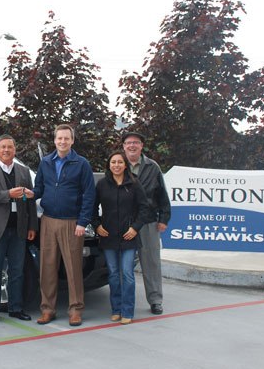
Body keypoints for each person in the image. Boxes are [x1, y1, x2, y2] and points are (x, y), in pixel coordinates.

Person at [32, 124, 96, 327]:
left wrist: (82, 222)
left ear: (72, 141)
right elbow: (39, 188)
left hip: (72, 223)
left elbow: (89, 195)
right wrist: (28, 193)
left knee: (73, 269)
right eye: (59, 138)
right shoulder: (45, 162)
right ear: (54, 140)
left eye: (66, 139)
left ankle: (75, 309)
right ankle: (47, 309)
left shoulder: (81, 164)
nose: (62, 142)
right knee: (47, 267)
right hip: (49, 221)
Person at [0, 135, 38, 323]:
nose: (6, 150)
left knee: (17, 269)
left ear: (15, 150)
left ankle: (16, 308)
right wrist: (7, 195)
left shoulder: (24, 171)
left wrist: (32, 226)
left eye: (9, 147)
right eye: (3, 147)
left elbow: (29, 201)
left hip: (18, 228)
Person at [92, 151, 151, 324]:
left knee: (127, 274)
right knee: (113, 274)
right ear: (109, 165)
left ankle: (127, 311)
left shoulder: (134, 183)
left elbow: (144, 208)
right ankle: (116, 309)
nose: (116, 165)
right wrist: (97, 225)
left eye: (119, 162)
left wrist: (135, 228)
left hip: (128, 236)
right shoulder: (102, 184)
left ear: (125, 164)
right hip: (108, 236)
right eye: (113, 162)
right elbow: (92, 207)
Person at [122, 131, 171, 315]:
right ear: (123, 146)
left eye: (135, 142)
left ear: (142, 145)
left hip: (149, 221)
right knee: (123, 266)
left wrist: (164, 218)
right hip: (125, 222)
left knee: (151, 263)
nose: (132, 146)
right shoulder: (118, 164)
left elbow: (162, 194)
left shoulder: (152, 167)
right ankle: (123, 301)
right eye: (128, 143)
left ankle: (155, 300)